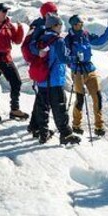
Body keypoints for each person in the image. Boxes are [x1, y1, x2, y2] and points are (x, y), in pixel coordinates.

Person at [30, 14, 81, 145]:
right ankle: (66, 134)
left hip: (42, 80)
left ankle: (43, 133)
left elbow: (32, 48)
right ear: (55, 26)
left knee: (42, 108)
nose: (61, 27)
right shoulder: (57, 41)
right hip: (54, 80)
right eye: (60, 25)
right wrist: (76, 58)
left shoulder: (41, 38)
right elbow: (64, 58)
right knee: (59, 107)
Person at [65, 15, 108, 136]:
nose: (80, 26)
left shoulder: (85, 35)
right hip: (77, 71)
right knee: (80, 98)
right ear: (72, 25)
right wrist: (73, 61)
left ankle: (99, 125)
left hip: (89, 68)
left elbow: (100, 40)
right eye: (77, 24)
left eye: (81, 23)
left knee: (97, 96)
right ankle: (76, 124)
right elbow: (65, 56)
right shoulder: (68, 39)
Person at [26, 1, 58, 138]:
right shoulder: (40, 26)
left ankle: (34, 125)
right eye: (53, 12)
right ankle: (39, 129)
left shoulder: (44, 24)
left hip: (44, 64)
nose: (56, 14)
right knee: (43, 99)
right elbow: (31, 45)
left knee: (41, 98)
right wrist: (39, 52)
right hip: (41, 64)